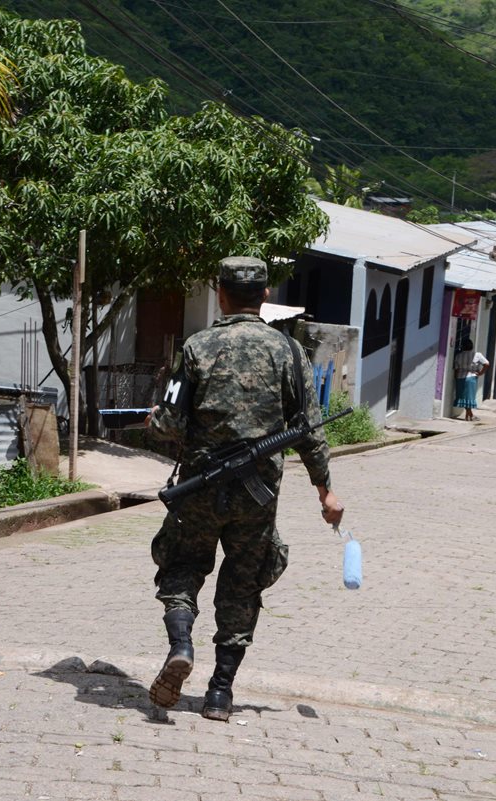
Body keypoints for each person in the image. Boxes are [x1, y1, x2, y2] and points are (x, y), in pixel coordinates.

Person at [144, 255, 344, 721]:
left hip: (197, 487)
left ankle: (180, 647)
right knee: (243, 584)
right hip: (258, 496)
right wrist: (325, 491)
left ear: (220, 292)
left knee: (182, 568)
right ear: (266, 296)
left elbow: (171, 420)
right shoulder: (288, 351)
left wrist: (154, 422)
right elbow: (310, 428)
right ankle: (219, 693)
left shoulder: (197, 346)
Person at [453, 338, 489, 422]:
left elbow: (456, 369)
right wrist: (480, 373)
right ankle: (471, 416)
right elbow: (487, 364)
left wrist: (456, 378)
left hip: (460, 378)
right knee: (469, 398)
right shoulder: (477, 355)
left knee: (463, 397)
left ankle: (468, 416)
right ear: (472, 346)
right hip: (471, 377)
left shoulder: (458, 355)